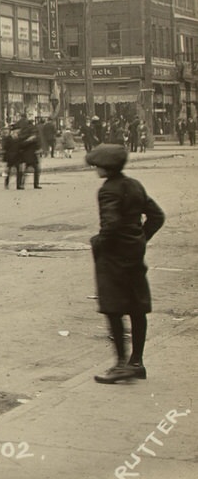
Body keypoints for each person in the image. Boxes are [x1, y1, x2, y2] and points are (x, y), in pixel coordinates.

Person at [86, 143, 165, 384]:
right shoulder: (134, 185)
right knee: (137, 307)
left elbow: (110, 224)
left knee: (113, 309)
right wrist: (141, 237)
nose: (96, 169)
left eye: (98, 165)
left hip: (113, 257)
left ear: (105, 168)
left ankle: (120, 364)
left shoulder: (108, 190)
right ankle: (137, 362)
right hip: (133, 255)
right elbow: (157, 216)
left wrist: (99, 243)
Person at [17, 120, 42, 189]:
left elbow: (21, 144)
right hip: (31, 155)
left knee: (25, 171)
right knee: (36, 170)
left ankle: (21, 184)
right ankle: (35, 184)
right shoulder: (31, 135)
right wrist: (30, 141)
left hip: (26, 155)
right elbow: (36, 143)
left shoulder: (23, 134)